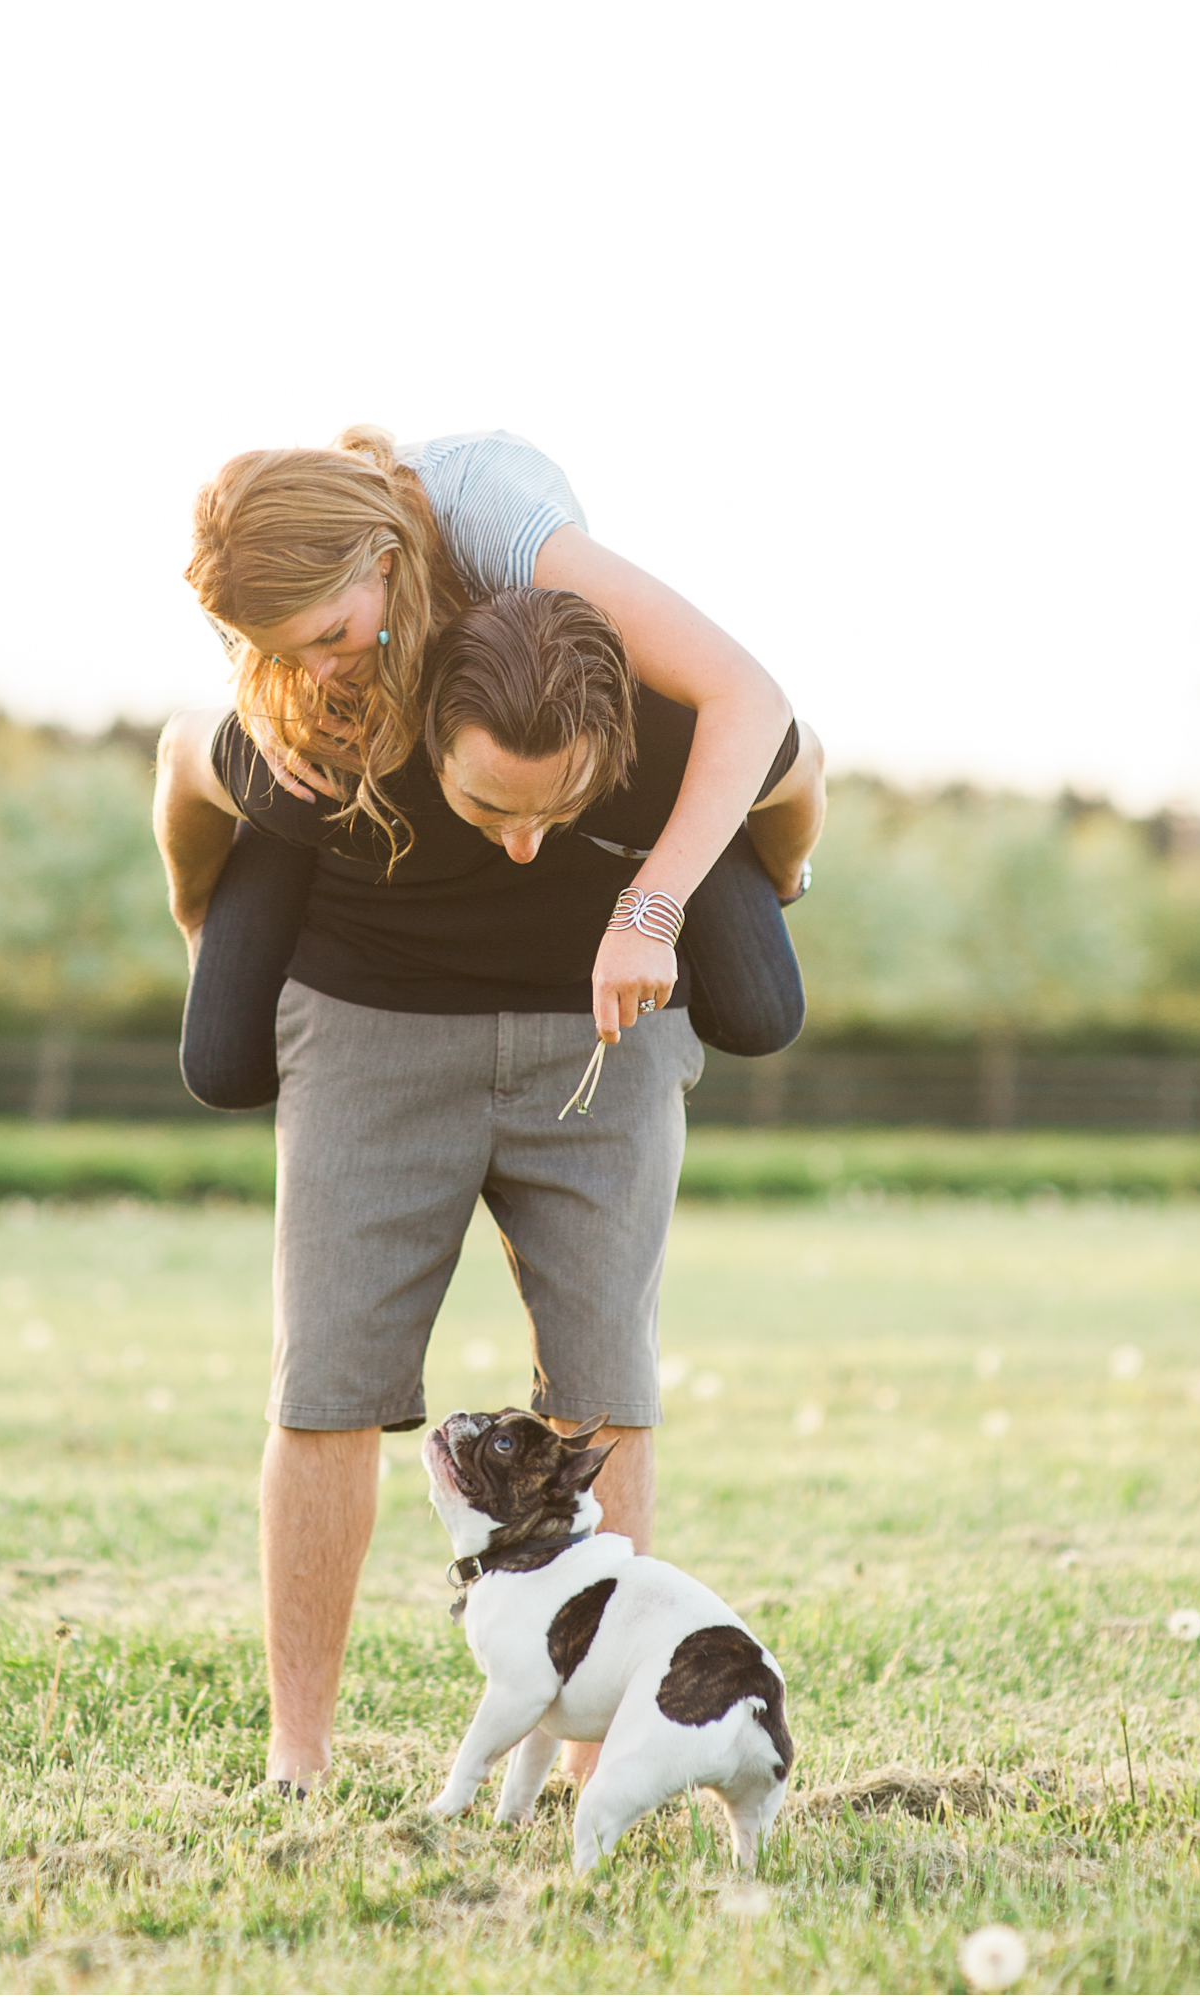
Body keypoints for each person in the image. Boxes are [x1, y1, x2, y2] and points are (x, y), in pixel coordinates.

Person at [152, 584, 765, 1794]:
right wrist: (198, 929)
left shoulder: (669, 728)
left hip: (604, 1035)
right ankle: (300, 1759)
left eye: (561, 806)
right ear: (426, 734)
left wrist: (749, 891)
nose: (527, 841)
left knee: (607, 1386)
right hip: (368, 1026)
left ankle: (595, 1764)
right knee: (325, 1386)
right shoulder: (334, 725)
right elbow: (184, 760)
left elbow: (791, 772)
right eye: (489, 802)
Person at [178, 426, 825, 1109]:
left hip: (535, 703)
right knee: (221, 1064)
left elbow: (750, 695)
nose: (317, 671)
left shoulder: (490, 517)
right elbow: (299, 660)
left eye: (333, 636)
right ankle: (200, 732)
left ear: (386, 562)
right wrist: (263, 711)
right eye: (283, 653)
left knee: (760, 1013)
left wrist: (648, 916)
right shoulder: (253, 589)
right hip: (414, 737)